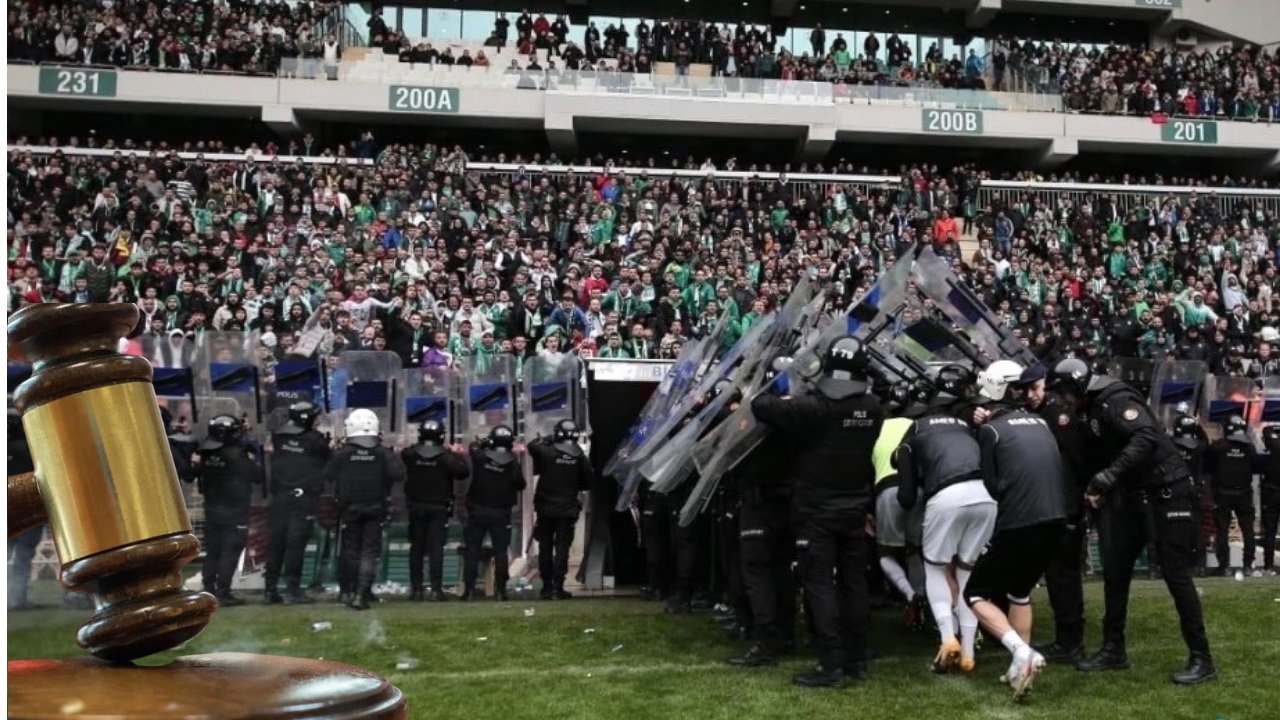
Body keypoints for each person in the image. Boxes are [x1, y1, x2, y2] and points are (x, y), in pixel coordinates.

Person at [1050, 359, 1216, 684]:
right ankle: (1114, 649)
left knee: (1175, 574)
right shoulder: (1091, 408)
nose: (1063, 401)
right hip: (1134, 494)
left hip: (1167, 491)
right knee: (1115, 569)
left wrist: (1108, 477)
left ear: (1076, 387)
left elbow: (1145, 437)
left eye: (1065, 393)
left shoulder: (1116, 400)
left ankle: (1202, 658)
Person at [751, 337, 883, 688]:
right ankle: (857, 660)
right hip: (855, 505)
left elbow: (761, 406)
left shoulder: (815, 407)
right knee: (854, 582)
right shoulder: (872, 407)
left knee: (820, 584)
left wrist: (782, 390)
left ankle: (831, 664)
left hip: (816, 509)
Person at [965, 359, 1068, 701]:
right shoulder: (1041, 422)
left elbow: (992, 485)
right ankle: (1020, 671)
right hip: (1056, 519)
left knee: (975, 593)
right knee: (1020, 592)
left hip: (1019, 520)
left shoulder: (991, 430)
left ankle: (1022, 653)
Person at [896, 372, 995, 676]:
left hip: (947, 494)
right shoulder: (966, 426)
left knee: (935, 568)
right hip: (985, 496)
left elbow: (907, 495)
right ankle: (967, 653)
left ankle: (946, 638)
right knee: (967, 576)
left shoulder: (915, 429)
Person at [1017, 364, 1090, 663]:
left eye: (1034, 388)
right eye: (1026, 389)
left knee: (1064, 576)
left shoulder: (1059, 416)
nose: (1029, 395)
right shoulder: (1041, 413)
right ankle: (1066, 640)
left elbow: (1078, 459)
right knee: (1058, 576)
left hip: (1065, 505)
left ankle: (1071, 642)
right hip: (1055, 504)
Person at [728, 371, 799, 667]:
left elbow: (732, 455)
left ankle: (766, 641)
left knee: (758, 573)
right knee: (783, 571)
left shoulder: (755, 418)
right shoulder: (799, 417)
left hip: (759, 502)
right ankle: (785, 633)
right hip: (789, 501)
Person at [323, 409, 407, 611]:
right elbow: (399, 474)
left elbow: (328, 474)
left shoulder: (343, 453)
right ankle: (362, 593)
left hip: (349, 507)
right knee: (369, 551)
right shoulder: (382, 453)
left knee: (349, 550)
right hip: (375, 507)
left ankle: (347, 591)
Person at [192, 415, 263, 606]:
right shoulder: (236, 454)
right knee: (229, 551)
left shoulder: (206, 453)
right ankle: (223, 592)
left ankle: (208, 588)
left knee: (213, 550)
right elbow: (257, 476)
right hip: (234, 509)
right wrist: (252, 456)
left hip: (212, 507)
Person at [871, 380, 925, 630]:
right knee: (915, 549)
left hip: (886, 490)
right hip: (917, 489)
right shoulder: (916, 425)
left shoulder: (875, 428)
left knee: (885, 553)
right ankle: (923, 598)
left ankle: (909, 594)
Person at [264, 402, 330, 604]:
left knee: (277, 544)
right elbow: (327, 459)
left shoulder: (279, 436)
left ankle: (271, 588)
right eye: (314, 417)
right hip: (303, 499)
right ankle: (292, 589)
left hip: (280, 497)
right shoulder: (315, 440)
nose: (317, 420)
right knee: (296, 545)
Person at [402, 419, 469, 601]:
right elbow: (463, 472)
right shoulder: (446, 457)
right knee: (435, 549)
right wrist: (457, 454)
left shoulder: (410, 454)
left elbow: (404, 456)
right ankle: (436, 590)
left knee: (416, 549)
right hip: (438, 507)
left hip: (416, 506)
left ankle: (416, 590)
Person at [527, 419, 592, 600]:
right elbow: (587, 483)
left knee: (545, 546)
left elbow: (531, 445)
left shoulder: (546, 451)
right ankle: (558, 586)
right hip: (567, 508)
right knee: (562, 548)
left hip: (545, 508)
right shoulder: (579, 456)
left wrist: (548, 439)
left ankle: (547, 586)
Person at [462, 425, 526, 601]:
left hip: (477, 510)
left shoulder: (481, 457)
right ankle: (500, 591)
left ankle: (469, 591)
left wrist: (483, 442)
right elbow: (521, 484)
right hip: (501, 512)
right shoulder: (512, 462)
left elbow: (473, 448)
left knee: (472, 551)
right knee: (500, 552)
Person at [1205, 415, 1259, 576]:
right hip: (1244, 492)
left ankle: (1224, 566)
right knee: (1248, 530)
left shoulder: (1218, 447)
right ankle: (1248, 565)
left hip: (1223, 493)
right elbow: (1257, 465)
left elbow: (1207, 464)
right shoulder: (1249, 447)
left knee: (1222, 530)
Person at [1260, 425, 1280, 576]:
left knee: (1270, 532)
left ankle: (1268, 565)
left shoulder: (1272, 449)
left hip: (1271, 492)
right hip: (1272, 491)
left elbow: (1266, 431)